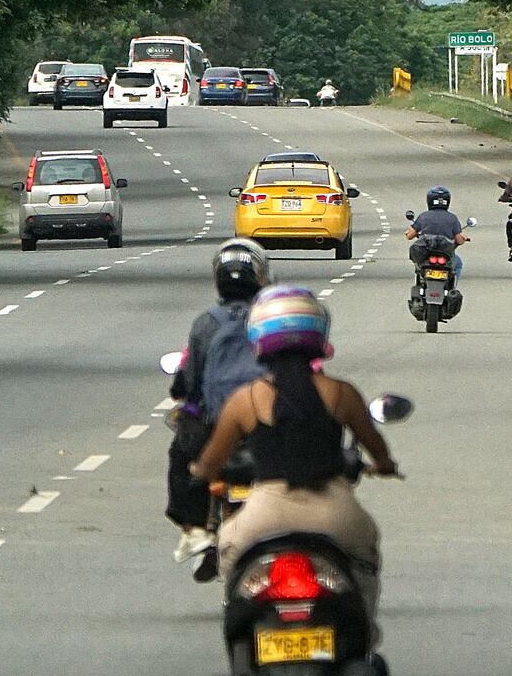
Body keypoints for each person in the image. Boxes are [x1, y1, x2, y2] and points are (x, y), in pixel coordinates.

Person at [192, 289, 397, 611]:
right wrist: (385, 466)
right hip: (335, 514)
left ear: (258, 338)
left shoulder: (244, 400)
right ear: (318, 335)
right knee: (364, 562)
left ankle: (240, 624)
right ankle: (363, 630)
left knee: (231, 560)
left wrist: (201, 472)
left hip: (265, 514)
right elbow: (376, 448)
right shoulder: (341, 394)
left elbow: (211, 461)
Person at [168, 240, 271, 570]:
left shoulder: (206, 323)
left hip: (218, 426)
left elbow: (189, 382)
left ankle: (196, 527)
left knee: (182, 454)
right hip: (272, 422)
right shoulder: (275, 317)